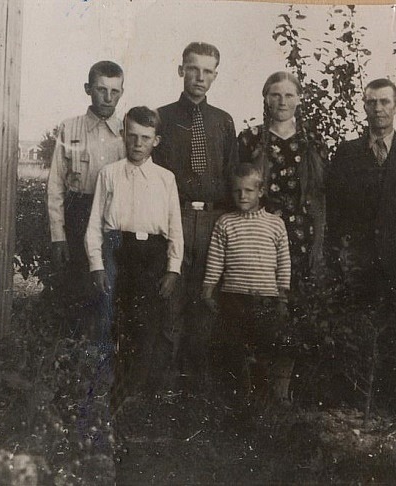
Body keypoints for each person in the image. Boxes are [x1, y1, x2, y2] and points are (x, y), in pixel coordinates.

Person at [325, 78, 396, 395]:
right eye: (372, 102)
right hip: (355, 260)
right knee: (354, 326)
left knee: (394, 328)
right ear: (364, 106)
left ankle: (386, 399)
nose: (378, 109)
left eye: (385, 102)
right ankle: (350, 396)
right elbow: (335, 209)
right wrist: (340, 256)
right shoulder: (347, 153)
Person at [153, 42, 239, 391]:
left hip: (214, 221)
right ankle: (165, 380)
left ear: (215, 76)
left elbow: (233, 174)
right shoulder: (162, 117)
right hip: (175, 217)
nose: (199, 77)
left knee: (207, 296)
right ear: (181, 70)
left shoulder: (223, 121)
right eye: (193, 68)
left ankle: (198, 381)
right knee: (171, 296)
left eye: (207, 71)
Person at [85, 106, 184, 407]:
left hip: (151, 257)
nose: (138, 143)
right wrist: (97, 265)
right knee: (116, 322)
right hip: (118, 252)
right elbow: (93, 226)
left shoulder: (165, 179)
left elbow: (175, 228)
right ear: (124, 137)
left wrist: (173, 269)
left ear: (156, 141)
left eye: (145, 137)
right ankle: (113, 393)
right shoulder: (109, 174)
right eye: (132, 136)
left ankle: (136, 395)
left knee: (147, 326)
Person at [46, 60, 126, 338]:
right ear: (88, 89)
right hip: (78, 212)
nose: (108, 97)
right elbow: (56, 184)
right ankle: (75, 356)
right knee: (78, 288)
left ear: (122, 93)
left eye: (115, 91)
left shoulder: (128, 133)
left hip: (113, 217)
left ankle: (103, 354)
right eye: (101, 89)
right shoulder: (70, 129)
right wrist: (58, 236)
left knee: (109, 287)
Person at [202, 164, 291, 406]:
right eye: (237, 191)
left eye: (249, 191)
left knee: (263, 350)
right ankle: (237, 400)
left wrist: (282, 298)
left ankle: (261, 401)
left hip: (265, 298)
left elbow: (284, 264)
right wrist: (208, 289)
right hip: (233, 297)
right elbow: (216, 259)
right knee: (233, 350)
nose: (243, 196)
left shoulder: (275, 224)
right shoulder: (226, 222)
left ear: (260, 191)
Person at [238, 71, 326, 292]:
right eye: (275, 95)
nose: (282, 102)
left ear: (299, 98)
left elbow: (319, 194)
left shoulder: (312, 140)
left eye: (289, 95)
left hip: (302, 234)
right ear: (266, 98)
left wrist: (319, 242)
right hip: (259, 233)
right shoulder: (250, 138)